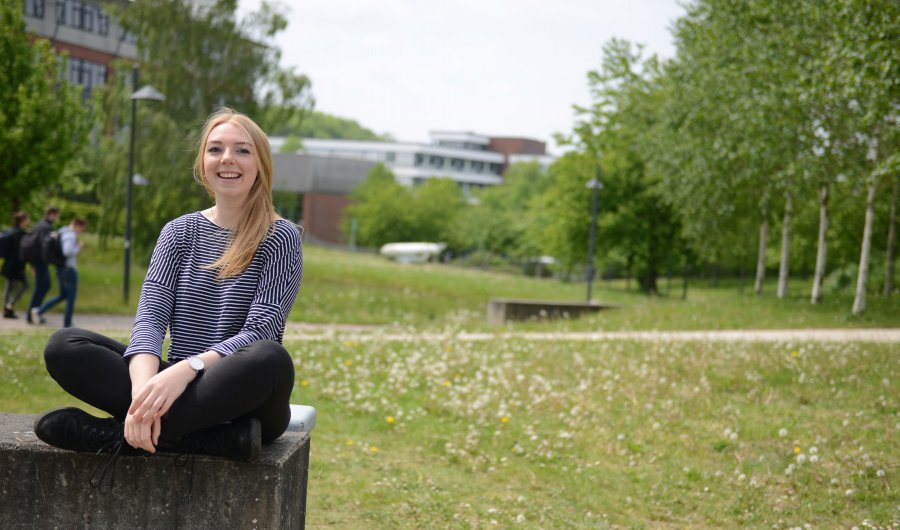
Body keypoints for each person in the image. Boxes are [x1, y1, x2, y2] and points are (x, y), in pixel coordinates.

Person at [33, 108, 303, 477]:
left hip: (240, 395)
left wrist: (185, 371)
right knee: (65, 345)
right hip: (172, 385)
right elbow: (150, 318)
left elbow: (260, 331)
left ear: (261, 164)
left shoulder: (281, 236)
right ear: (203, 162)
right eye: (215, 149)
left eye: (242, 150)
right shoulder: (179, 232)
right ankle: (205, 440)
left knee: (269, 357)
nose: (227, 159)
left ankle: (115, 437)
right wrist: (145, 392)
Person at [31, 217, 87, 328]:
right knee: (71, 297)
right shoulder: (70, 235)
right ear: (78, 225)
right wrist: (78, 247)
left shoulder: (62, 230)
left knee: (62, 295)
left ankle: (39, 310)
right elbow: (67, 252)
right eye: (81, 229)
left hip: (60, 268)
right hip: (69, 269)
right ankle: (67, 324)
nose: (81, 232)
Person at [25, 206, 60, 324]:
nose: (57, 217)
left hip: (37, 261)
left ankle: (35, 312)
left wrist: (32, 264)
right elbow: (44, 246)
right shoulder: (46, 227)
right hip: (40, 262)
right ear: (51, 214)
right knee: (41, 287)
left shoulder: (39, 225)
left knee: (44, 286)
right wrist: (51, 261)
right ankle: (33, 314)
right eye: (56, 215)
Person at [2, 211, 30, 318]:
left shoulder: (10, 231)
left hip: (8, 263)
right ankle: (10, 305)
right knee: (24, 285)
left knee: (9, 287)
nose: (28, 221)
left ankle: (7, 309)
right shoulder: (22, 234)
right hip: (17, 265)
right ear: (23, 220)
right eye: (27, 219)